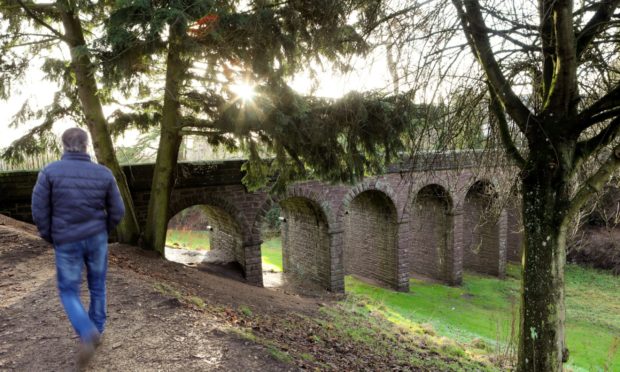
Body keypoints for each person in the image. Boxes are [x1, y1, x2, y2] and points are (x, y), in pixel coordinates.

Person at [31, 127, 125, 368]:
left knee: (68, 290)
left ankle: (86, 331)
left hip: (66, 239)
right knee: (98, 286)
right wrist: (103, 229)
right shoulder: (104, 173)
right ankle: (96, 330)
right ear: (87, 146)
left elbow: (39, 210)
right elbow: (118, 210)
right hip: (96, 238)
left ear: (63, 146)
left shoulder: (50, 171)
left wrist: (50, 235)